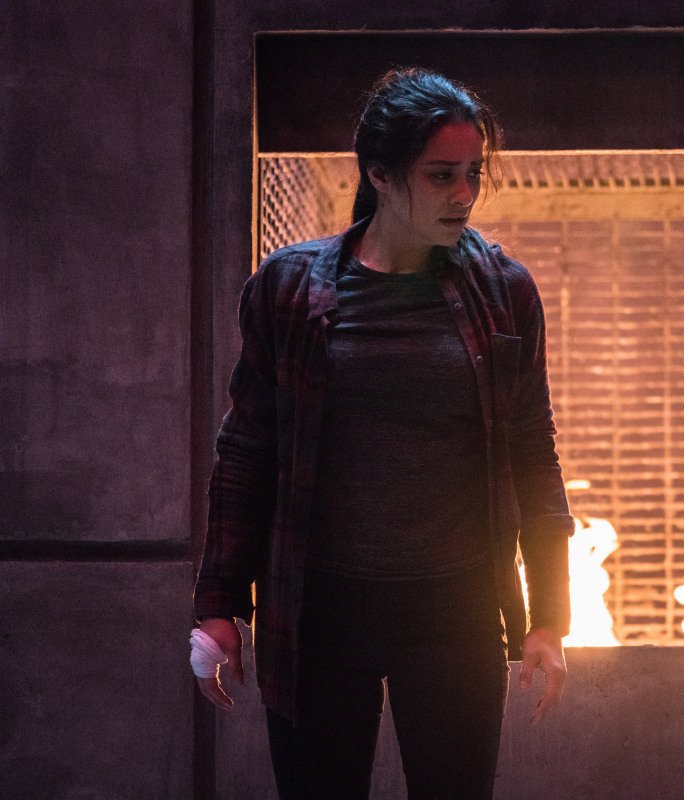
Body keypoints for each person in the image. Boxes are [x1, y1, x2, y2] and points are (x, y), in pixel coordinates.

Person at [189, 67, 574, 800]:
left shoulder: (504, 291)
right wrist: (219, 604)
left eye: (473, 173)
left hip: (456, 606)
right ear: (379, 174)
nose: (464, 194)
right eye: (441, 175)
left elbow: (533, 452)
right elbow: (246, 453)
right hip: (320, 608)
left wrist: (548, 616)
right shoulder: (289, 287)